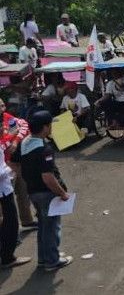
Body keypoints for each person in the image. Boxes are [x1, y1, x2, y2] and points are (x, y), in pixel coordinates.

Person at [10, 111, 73, 271]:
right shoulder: (44, 149)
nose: (52, 127)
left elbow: (13, 160)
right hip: (46, 193)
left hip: (33, 192)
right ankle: (52, 261)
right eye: (51, 124)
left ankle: (44, 258)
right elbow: (48, 177)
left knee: (43, 227)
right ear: (45, 127)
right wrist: (62, 193)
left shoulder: (25, 142)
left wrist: (28, 172)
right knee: (51, 227)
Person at [0, 98, 35, 236]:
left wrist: (14, 141)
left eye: (3, 105)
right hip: (4, 168)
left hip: (13, 163)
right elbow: (2, 146)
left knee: (23, 191)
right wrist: (11, 137)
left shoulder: (7, 118)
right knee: (5, 205)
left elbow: (23, 125)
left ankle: (26, 220)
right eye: (0, 106)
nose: (3, 109)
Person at [0, 132, 32, 269]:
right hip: (3, 190)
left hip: (4, 189)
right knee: (11, 223)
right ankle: (7, 257)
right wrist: (10, 169)